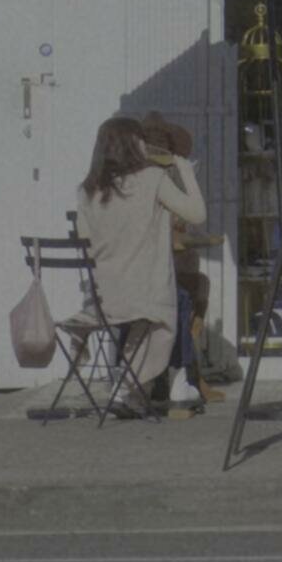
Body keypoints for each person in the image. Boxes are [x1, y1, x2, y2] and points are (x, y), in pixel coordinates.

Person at [77, 116, 205, 416]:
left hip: (106, 297)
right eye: (140, 140)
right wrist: (186, 172)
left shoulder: (86, 191)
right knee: (168, 310)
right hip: (147, 294)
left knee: (143, 321)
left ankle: (131, 394)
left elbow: (86, 241)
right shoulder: (152, 179)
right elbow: (197, 215)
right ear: (133, 144)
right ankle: (129, 389)